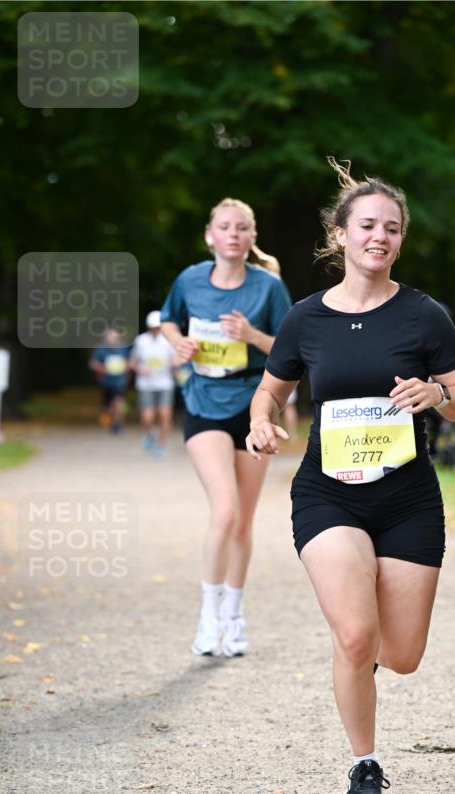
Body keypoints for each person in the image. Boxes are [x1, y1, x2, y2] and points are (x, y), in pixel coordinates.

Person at [246, 159, 455, 794]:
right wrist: (262, 425)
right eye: (368, 225)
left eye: (393, 228)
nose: (380, 236)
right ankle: (364, 765)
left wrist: (435, 391)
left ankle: (362, 666)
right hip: (328, 495)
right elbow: (270, 392)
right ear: (340, 235)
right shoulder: (304, 320)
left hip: (406, 500)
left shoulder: (422, 315)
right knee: (354, 635)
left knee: (399, 655)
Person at [160, 197, 291, 657]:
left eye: (242, 228)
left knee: (242, 523)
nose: (233, 234)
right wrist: (180, 346)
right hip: (204, 403)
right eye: (224, 227)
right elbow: (167, 321)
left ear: (252, 237)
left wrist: (251, 336)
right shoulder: (190, 280)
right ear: (209, 236)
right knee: (225, 510)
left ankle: (234, 617)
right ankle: (207, 617)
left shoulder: (268, 287)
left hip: (253, 406)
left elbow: (291, 348)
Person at [130, 310, 177, 457]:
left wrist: (174, 366)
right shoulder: (141, 341)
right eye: (153, 327)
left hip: (165, 383)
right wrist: (140, 369)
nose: (155, 330)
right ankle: (150, 433)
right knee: (147, 417)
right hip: (146, 384)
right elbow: (132, 362)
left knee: (165, 414)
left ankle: (161, 444)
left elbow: (176, 360)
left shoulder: (168, 341)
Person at [88, 328, 132, 434]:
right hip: (106, 382)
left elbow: (131, 361)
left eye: (115, 338)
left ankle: (118, 424)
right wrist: (102, 368)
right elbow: (92, 363)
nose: (112, 340)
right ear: (105, 339)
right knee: (108, 405)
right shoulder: (100, 349)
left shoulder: (124, 348)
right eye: (110, 338)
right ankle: (112, 421)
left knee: (118, 402)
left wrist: (126, 367)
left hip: (120, 381)